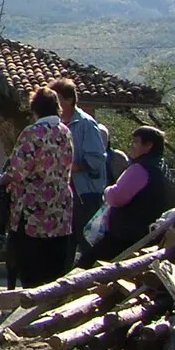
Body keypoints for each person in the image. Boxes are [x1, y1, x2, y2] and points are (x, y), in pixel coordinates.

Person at [3, 86, 77, 288]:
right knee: (54, 267)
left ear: (34, 109)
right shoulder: (66, 132)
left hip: (33, 210)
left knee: (32, 269)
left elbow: (18, 171)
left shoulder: (32, 133)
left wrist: (2, 181)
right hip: (60, 208)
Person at [93, 126, 175, 261]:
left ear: (149, 145)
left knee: (88, 264)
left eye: (136, 142)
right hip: (148, 232)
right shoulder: (161, 167)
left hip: (127, 234)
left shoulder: (140, 169)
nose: (131, 145)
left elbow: (116, 197)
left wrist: (107, 190)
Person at [55, 78, 109, 259]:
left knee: (88, 242)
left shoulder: (86, 123)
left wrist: (67, 168)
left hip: (85, 194)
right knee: (64, 244)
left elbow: (96, 158)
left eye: (58, 98)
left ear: (69, 100)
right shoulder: (57, 125)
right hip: (63, 195)